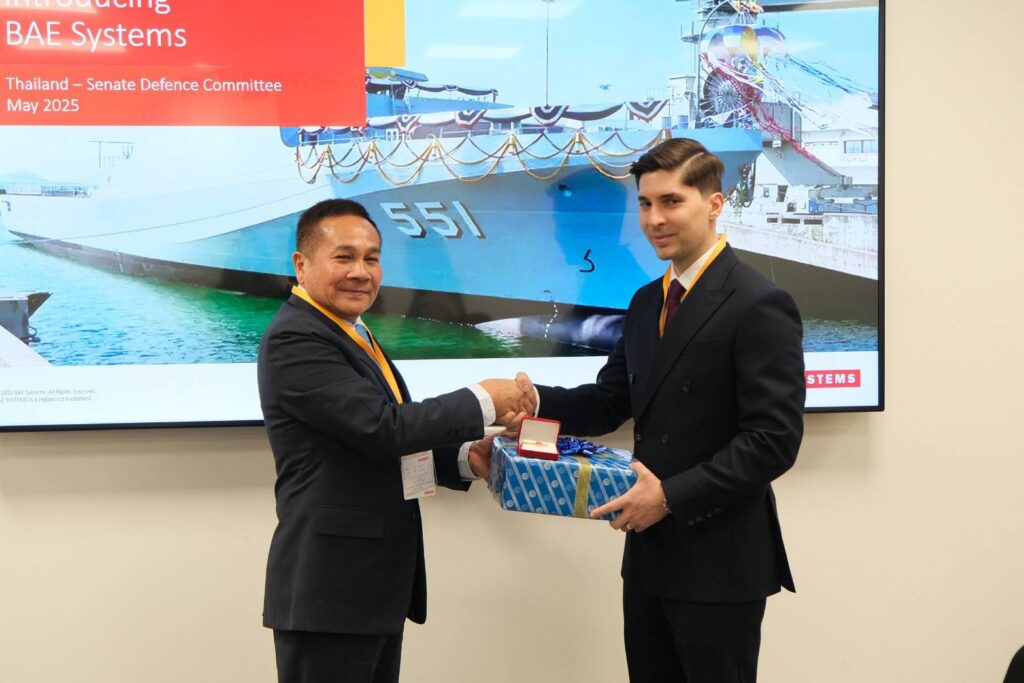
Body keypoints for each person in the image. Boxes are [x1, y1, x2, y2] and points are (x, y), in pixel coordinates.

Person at [528, 138, 805, 682]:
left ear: (715, 204)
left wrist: (670, 497)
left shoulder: (758, 302)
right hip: (650, 556)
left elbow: (772, 441)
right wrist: (531, 403)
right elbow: (609, 401)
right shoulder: (645, 302)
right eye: (645, 204)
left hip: (720, 562)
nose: (654, 219)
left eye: (671, 202)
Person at [257, 198, 534, 683]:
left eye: (372, 258)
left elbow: (377, 441)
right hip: (331, 592)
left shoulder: (351, 331)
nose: (361, 272)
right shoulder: (295, 338)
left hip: (368, 590)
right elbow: (382, 429)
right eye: (344, 257)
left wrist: (468, 457)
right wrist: (484, 400)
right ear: (301, 264)